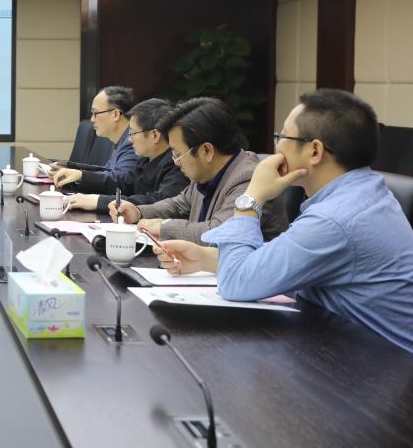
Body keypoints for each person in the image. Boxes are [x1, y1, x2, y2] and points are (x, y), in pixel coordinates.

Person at [154, 90, 413, 353]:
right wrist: (204, 259)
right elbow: (284, 262)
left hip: (383, 366)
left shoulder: (335, 219)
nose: (276, 147)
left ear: (314, 151)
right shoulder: (363, 192)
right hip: (347, 345)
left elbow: (234, 284)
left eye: (283, 137)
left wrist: (252, 196)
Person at [112, 97, 288, 243]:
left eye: (177, 154)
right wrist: (138, 212)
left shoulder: (248, 178)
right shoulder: (206, 174)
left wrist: (164, 227)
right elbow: (178, 204)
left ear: (206, 151)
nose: (176, 162)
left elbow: (219, 232)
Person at [65, 98, 189, 212]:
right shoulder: (146, 159)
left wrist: (99, 202)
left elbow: (159, 202)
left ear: (154, 135)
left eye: (132, 133)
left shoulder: (178, 165)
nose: (130, 139)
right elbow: (123, 183)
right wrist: (81, 177)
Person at [51, 86, 140, 190]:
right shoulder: (122, 139)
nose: (92, 119)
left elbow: (121, 180)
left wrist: (81, 175)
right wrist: (71, 170)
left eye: (95, 113)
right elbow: (106, 172)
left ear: (115, 114)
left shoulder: (133, 140)